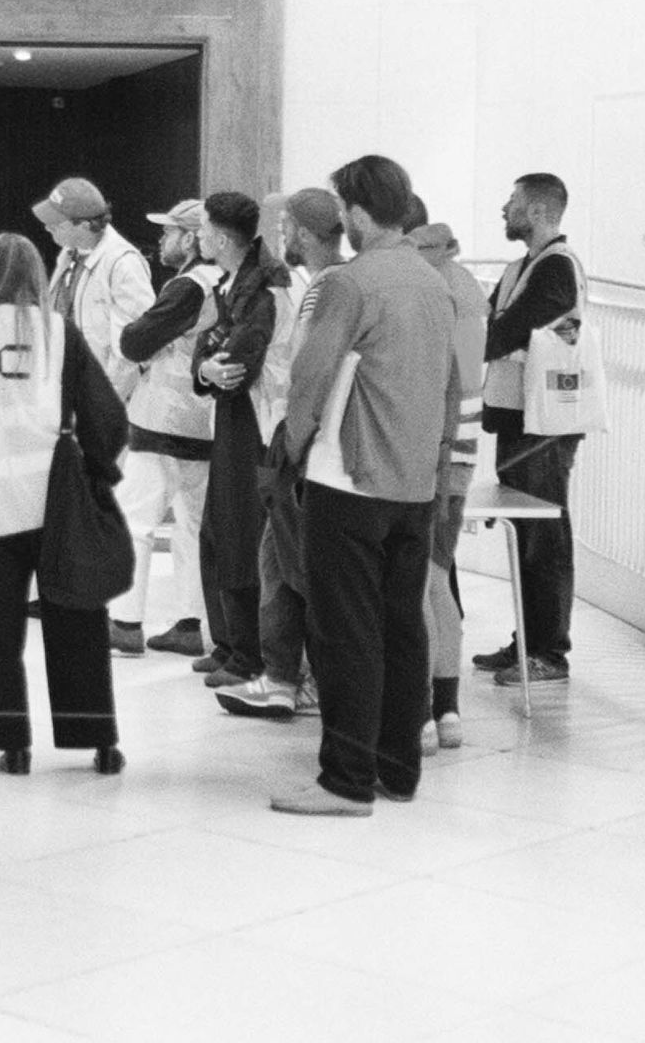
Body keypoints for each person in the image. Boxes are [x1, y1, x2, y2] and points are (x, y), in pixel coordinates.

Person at [272, 155, 459, 816]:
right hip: (413, 484)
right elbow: (451, 385)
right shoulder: (433, 283)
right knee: (401, 626)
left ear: (354, 212)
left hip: (348, 479)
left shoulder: (352, 283)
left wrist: (289, 450)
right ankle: (396, 770)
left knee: (345, 631)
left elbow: (311, 378)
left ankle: (345, 781)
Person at [0, 233, 126, 776]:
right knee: (77, 619)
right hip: (53, 499)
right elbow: (106, 417)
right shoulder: (59, 335)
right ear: (38, 277)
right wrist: (97, 470)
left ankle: (9, 742)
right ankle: (97, 741)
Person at [215, 186, 344, 718]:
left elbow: (308, 374)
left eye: (286, 226)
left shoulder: (322, 289)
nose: (279, 236)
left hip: (301, 450)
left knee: (296, 570)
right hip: (296, 446)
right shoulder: (322, 285)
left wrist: (288, 446)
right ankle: (283, 678)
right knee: (277, 565)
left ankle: (306, 678)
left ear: (306, 232)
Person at [474, 172, 586, 686]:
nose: (504, 208)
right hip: (520, 419)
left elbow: (504, 332)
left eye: (513, 201)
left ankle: (549, 651)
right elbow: (492, 325)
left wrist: (489, 334)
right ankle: (529, 643)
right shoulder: (524, 265)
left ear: (539, 211)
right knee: (527, 537)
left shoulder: (557, 268)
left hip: (543, 427)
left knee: (543, 537)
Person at [107, 198, 220, 658]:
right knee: (192, 525)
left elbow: (135, 341)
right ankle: (190, 623)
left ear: (192, 237)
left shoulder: (188, 285)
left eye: (171, 231)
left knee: (134, 520)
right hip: (205, 420)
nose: (162, 240)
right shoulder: (223, 280)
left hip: (162, 419)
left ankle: (125, 622)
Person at [189, 190, 288, 688]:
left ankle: (248, 653)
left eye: (203, 229)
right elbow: (206, 344)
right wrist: (205, 364)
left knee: (239, 534)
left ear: (224, 237)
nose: (197, 237)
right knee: (215, 530)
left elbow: (240, 357)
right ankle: (228, 641)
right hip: (229, 419)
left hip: (253, 423)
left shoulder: (265, 288)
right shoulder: (230, 282)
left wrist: (213, 360)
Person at [409, 217, 487, 743]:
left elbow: (444, 383)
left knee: (421, 584)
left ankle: (423, 715)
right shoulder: (468, 290)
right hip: (458, 454)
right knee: (438, 579)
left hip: (434, 455)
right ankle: (448, 712)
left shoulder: (441, 292)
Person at [31, 177, 153, 389]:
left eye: (56, 223)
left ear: (85, 225)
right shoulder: (69, 252)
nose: (47, 228)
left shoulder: (123, 265)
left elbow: (131, 351)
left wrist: (103, 407)